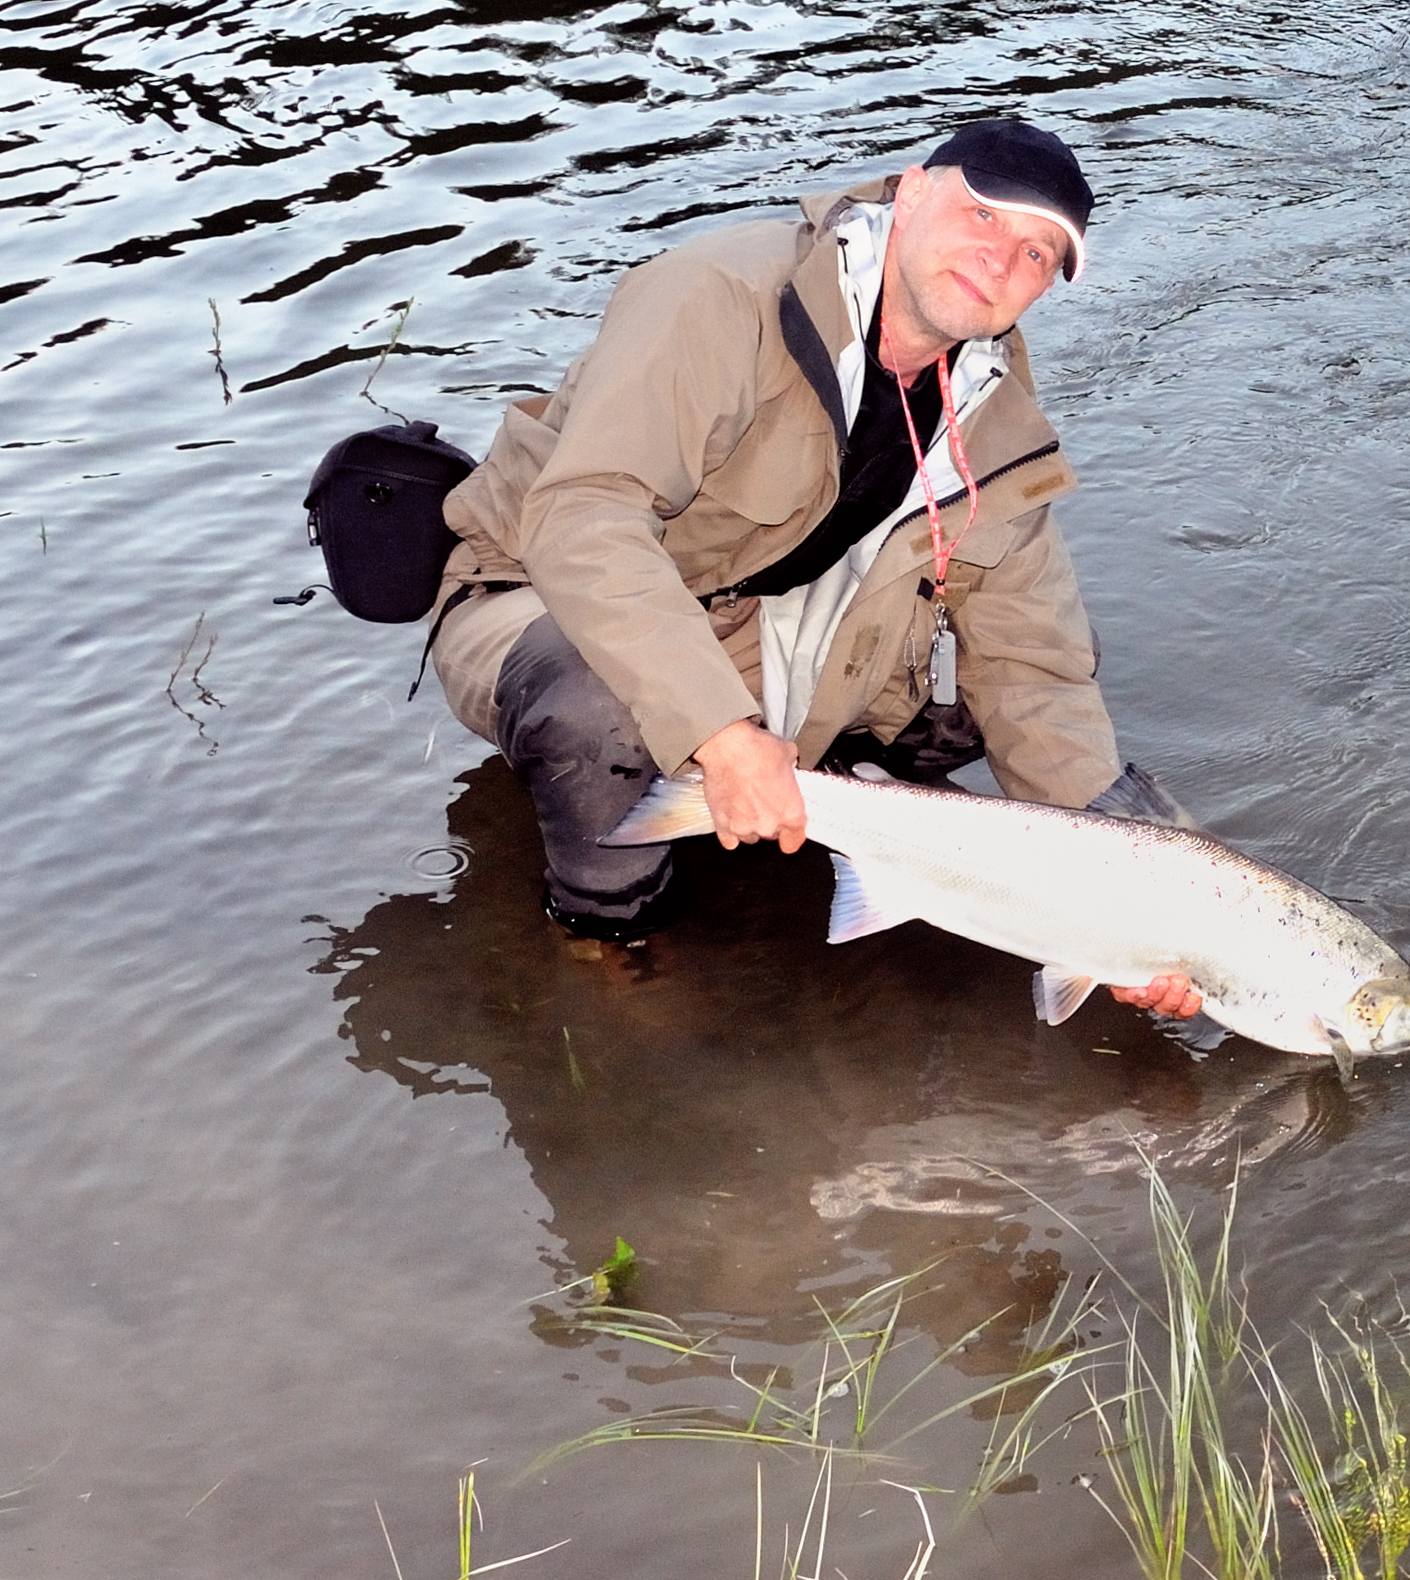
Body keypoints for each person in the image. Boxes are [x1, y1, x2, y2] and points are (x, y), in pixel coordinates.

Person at [425, 117, 1202, 1015]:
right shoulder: (720, 295)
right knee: (594, 708)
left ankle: (837, 828)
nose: (1002, 259)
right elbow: (583, 517)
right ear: (910, 191)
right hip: (537, 593)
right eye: (985, 217)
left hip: (773, 626)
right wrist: (719, 733)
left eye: (1036, 254)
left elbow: (1036, 670)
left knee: (981, 688)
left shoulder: (995, 421)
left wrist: (1127, 908)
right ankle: (605, 950)